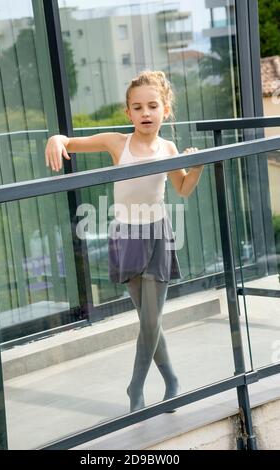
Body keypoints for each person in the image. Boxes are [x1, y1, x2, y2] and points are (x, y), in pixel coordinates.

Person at [45, 70, 204, 413]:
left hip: (158, 234)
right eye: (137, 107)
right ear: (128, 113)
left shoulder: (168, 148)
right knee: (149, 320)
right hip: (127, 236)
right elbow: (69, 142)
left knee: (150, 320)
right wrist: (56, 140)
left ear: (165, 110)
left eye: (152, 105)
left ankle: (135, 386)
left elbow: (183, 188)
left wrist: (197, 167)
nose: (145, 113)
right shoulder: (118, 143)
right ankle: (173, 380)